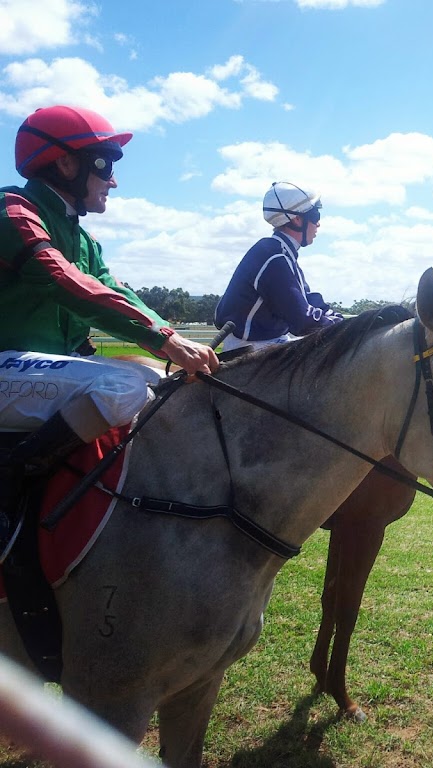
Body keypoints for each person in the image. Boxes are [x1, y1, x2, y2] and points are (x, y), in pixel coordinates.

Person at [0, 104, 219, 557]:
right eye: (106, 163)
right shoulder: (12, 210)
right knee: (124, 384)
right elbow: (64, 281)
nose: (113, 180)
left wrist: (169, 336)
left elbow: (114, 289)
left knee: (150, 376)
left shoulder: (83, 238)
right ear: (64, 162)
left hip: (30, 371)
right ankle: (13, 477)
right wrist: (165, 341)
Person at [215, 181, 342, 352]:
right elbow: (302, 321)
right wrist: (346, 327)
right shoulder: (275, 257)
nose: (318, 223)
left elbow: (310, 300)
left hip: (268, 342)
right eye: (315, 215)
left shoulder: (280, 252)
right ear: (297, 219)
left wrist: (346, 321)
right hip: (251, 350)